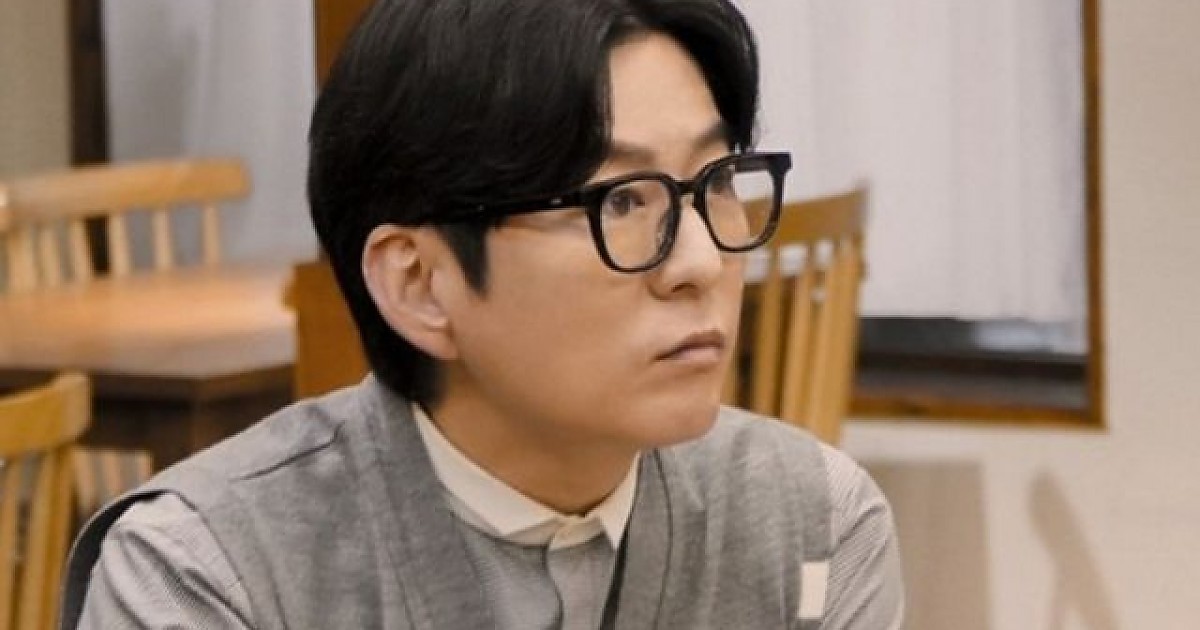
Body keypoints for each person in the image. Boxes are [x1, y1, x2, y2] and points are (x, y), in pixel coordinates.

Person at [61, 0, 904, 627]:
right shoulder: (206, 572)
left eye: (713, 182)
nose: (701, 263)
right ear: (420, 284)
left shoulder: (814, 525)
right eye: (620, 202)